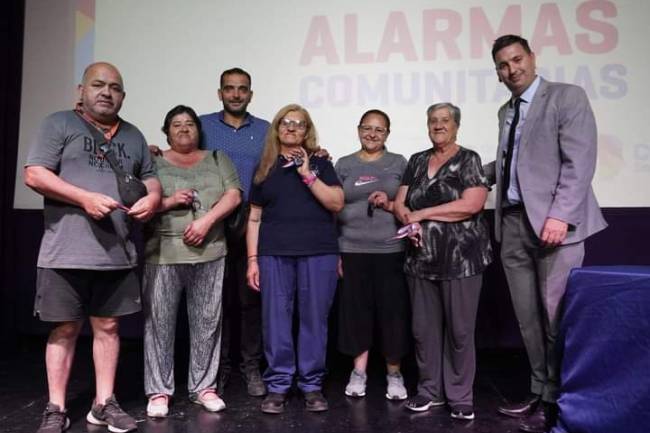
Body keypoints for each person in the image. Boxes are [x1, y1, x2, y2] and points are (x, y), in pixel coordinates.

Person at [24, 62, 161, 433]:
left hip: (116, 252)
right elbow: (35, 173)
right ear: (80, 91)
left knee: (110, 327)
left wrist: (153, 198)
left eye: (115, 87)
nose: (106, 92)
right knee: (65, 329)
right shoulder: (58, 123)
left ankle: (104, 404)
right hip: (64, 251)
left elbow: (150, 177)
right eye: (98, 85)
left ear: (123, 95)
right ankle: (55, 407)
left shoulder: (133, 135)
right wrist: (84, 198)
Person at [485, 35, 607, 433]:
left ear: (532, 58)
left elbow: (580, 160)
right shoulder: (507, 110)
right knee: (528, 319)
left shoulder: (566, 97)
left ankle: (562, 398)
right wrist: (467, 171)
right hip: (513, 223)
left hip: (555, 225)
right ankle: (540, 389)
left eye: (517, 59)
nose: (512, 69)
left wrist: (561, 215)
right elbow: (513, 164)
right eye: (503, 65)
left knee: (557, 318)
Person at [394, 102, 492, 421]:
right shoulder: (418, 160)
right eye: (433, 120)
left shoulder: (469, 159)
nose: (438, 125)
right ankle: (429, 391)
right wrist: (409, 221)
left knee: (460, 331)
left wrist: (422, 213)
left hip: (462, 259)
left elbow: (472, 204)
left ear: (456, 125)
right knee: (423, 330)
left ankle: (460, 396)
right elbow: (400, 202)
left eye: (445, 120)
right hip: (420, 259)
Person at [142, 105, 242, 417]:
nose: (184, 129)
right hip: (163, 255)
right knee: (159, 325)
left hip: (211, 252)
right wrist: (169, 202)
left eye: (189, 124)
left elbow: (234, 195)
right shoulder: (152, 160)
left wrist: (206, 222)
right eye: (176, 124)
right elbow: (138, 202)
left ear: (199, 129)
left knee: (207, 323)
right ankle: (159, 391)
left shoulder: (217, 158)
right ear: (166, 131)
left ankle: (203, 387)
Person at [246, 104, 344, 414]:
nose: (291, 127)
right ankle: (278, 386)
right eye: (285, 122)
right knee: (276, 322)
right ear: (276, 128)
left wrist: (307, 174)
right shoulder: (264, 167)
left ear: (306, 131)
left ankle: (312, 385)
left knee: (314, 320)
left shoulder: (321, 163)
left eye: (299, 124)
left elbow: (337, 203)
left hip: (319, 252)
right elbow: (254, 219)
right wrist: (252, 259)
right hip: (274, 252)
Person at [199, 67, 270, 397]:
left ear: (251, 94)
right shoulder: (201, 126)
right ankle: (219, 368)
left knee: (250, 300)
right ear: (220, 93)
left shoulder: (267, 130)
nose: (236, 94)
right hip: (212, 223)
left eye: (243, 89)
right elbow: (183, 153)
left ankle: (251, 367)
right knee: (216, 301)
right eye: (230, 89)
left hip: (253, 224)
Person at [334, 109, 410, 400]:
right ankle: (359, 373)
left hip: (390, 250)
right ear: (358, 130)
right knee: (356, 314)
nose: (372, 134)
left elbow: (408, 203)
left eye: (379, 129)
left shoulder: (399, 163)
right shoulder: (344, 164)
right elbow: (333, 210)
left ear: (387, 134)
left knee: (392, 314)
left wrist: (390, 203)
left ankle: (394, 374)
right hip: (351, 249)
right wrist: (335, 252)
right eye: (367, 128)